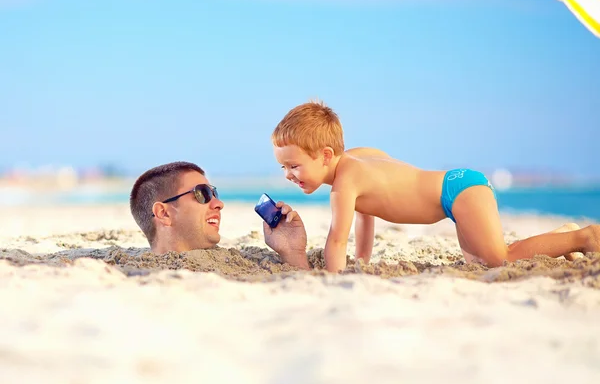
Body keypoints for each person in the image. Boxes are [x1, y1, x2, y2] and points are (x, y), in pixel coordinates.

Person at [270, 99, 600, 273]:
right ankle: (561, 237)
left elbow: (336, 239)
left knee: (501, 258)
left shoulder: (344, 185)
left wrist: (334, 278)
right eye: (283, 167)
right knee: (479, 263)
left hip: (456, 195)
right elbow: (364, 215)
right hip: (456, 187)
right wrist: (364, 261)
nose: (288, 174)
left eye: (293, 165)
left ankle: (585, 237)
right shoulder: (358, 158)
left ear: (326, 155)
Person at [129, 161, 311, 269]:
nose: (219, 204)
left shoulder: (242, 264)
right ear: (164, 213)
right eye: (203, 194)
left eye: (214, 194)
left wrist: (293, 253)